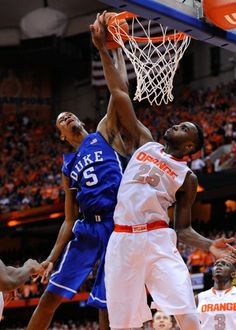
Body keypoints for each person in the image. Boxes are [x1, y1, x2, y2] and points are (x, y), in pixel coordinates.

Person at [90, 12, 236, 330]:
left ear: (188, 147)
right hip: (122, 240)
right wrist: (103, 49)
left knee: (186, 312)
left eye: (185, 127)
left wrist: (207, 246)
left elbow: (182, 228)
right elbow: (119, 95)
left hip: (158, 240)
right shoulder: (146, 143)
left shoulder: (188, 177)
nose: (176, 123)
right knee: (123, 325)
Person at [27, 42, 146, 330]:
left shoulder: (105, 133)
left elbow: (119, 93)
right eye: (60, 120)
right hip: (86, 229)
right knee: (49, 297)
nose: (66, 117)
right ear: (62, 137)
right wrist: (51, 258)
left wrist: (113, 51)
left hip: (116, 226)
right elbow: (69, 218)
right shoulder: (68, 165)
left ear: (80, 121)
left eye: (69, 114)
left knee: (107, 304)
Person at [196, 258, 236, 329]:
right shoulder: (199, 298)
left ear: (233, 274)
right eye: (216, 264)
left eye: (224, 264)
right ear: (212, 276)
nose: (219, 265)